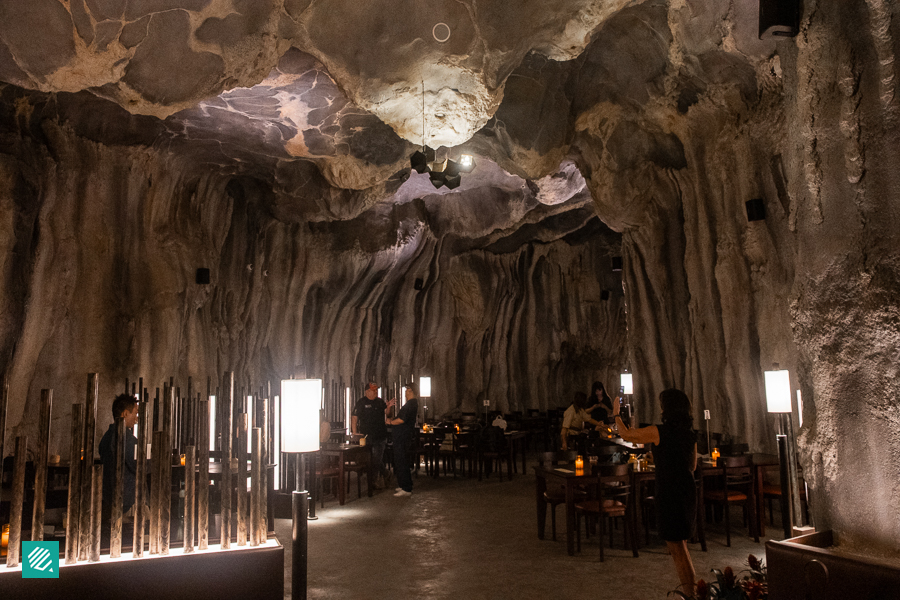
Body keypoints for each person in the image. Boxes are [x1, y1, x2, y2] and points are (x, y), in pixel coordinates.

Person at [613, 388, 698, 597]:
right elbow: (692, 466)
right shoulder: (690, 434)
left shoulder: (658, 431)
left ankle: (691, 595)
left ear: (667, 408)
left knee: (677, 549)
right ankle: (692, 593)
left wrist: (616, 413)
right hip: (686, 491)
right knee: (681, 546)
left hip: (669, 492)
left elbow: (626, 434)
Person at [98, 394, 141, 529]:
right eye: (135, 413)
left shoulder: (107, 436)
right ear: (125, 413)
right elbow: (139, 466)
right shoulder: (127, 439)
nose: (136, 418)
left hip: (109, 499)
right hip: (126, 502)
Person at [351, 382, 395, 489]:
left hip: (380, 435)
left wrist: (388, 407)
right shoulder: (361, 403)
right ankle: (385, 473)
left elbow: (388, 415)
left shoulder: (380, 402)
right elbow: (354, 418)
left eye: (376, 390)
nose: (375, 392)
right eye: (373, 390)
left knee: (376, 458)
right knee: (370, 459)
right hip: (366, 436)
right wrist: (355, 432)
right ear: (367, 392)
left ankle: (374, 481)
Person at [386, 384, 419, 497]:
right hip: (401, 436)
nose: (406, 392)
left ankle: (406, 488)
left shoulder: (411, 404)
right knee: (399, 461)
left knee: (402, 461)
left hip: (403, 437)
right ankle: (403, 484)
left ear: (412, 391)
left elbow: (401, 420)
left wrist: (390, 422)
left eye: (407, 390)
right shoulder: (410, 404)